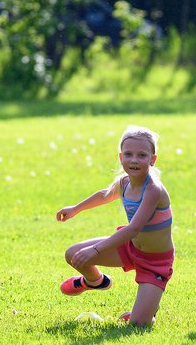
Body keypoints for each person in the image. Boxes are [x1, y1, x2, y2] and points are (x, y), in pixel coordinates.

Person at [56, 126, 174, 326]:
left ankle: (146, 310)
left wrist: (96, 250)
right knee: (73, 254)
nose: (134, 160)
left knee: (138, 325)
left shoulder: (153, 189)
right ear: (120, 157)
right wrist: (76, 208)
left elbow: (134, 228)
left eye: (142, 155)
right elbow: (105, 194)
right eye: (128, 154)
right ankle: (95, 281)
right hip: (130, 248)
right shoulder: (125, 182)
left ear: (153, 160)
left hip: (155, 261)